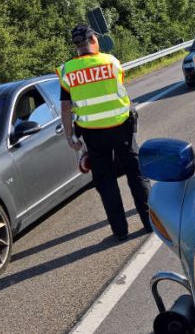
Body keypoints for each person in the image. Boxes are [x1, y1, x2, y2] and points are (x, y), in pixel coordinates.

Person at [57, 25, 152, 241]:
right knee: (136, 173)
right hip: (121, 128)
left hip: (93, 134)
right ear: (92, 38)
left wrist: (70, 136)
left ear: (76, 45)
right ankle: (149, 222)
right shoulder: (111, 62)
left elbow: (66, 107)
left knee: (106, 181)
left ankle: (120, 232)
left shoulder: (67, 71)